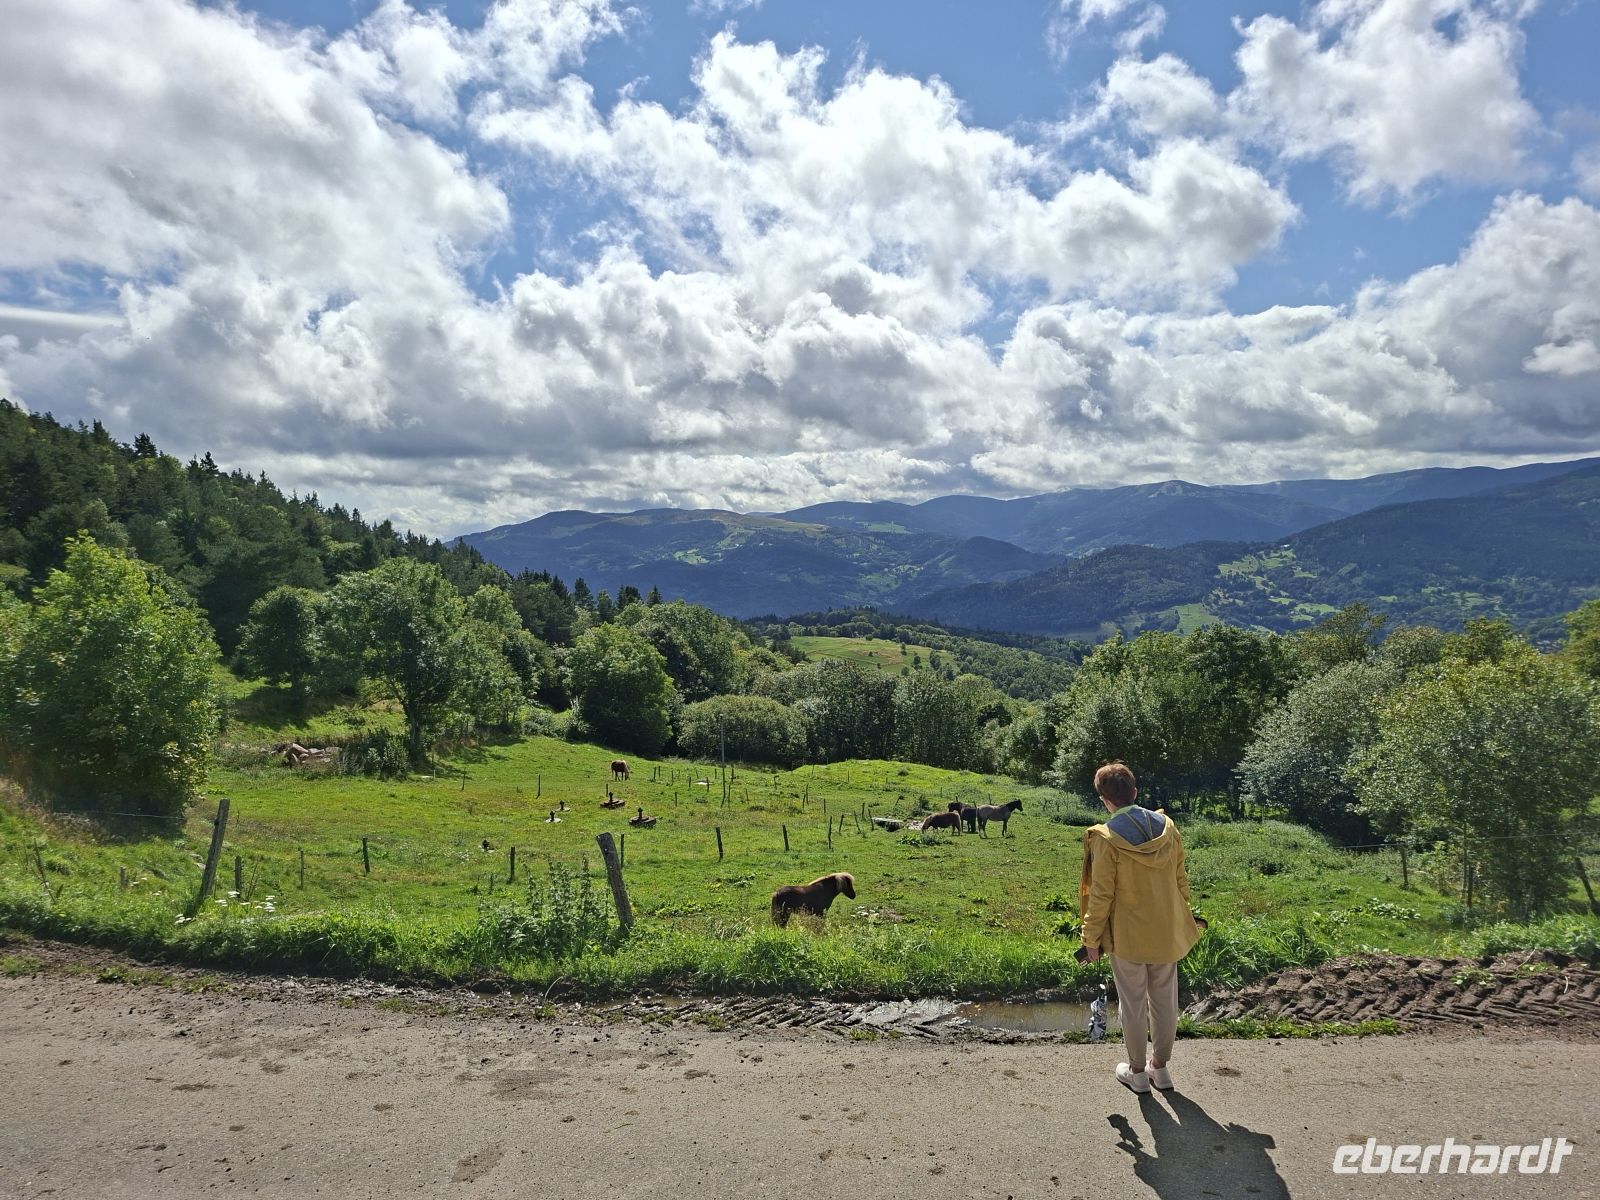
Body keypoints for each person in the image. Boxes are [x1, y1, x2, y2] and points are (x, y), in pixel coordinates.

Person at [1079, 761, 1203, 1094]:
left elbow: (1101, 896)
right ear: (1135, 791)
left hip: (1128, 937)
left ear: (1105, 800)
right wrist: (1184, 917)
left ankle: (1136, 1072)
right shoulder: (1168, 827)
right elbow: (1181, 882)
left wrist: (1090, 938)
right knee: (1165, 1000)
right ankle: (1160, 1069)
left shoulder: (1106, 838)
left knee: (1133, 1003)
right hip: (1166, 932)